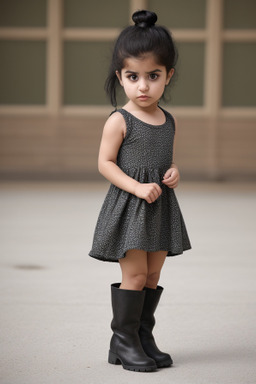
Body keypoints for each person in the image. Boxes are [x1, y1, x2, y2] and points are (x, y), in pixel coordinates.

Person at [89, 10, 191, 372]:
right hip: (130, 207)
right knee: (134, 275)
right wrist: (135, 186)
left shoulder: (168, 120)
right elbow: (105, 163)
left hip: (160, 207)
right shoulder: (120, 120)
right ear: (120, 76)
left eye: (153, 76)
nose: (143, 86)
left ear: (168, 76)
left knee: (152, 276)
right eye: (133, 77)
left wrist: (174, 172)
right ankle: (124, 339)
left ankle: (142, 336)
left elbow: (167, 160)